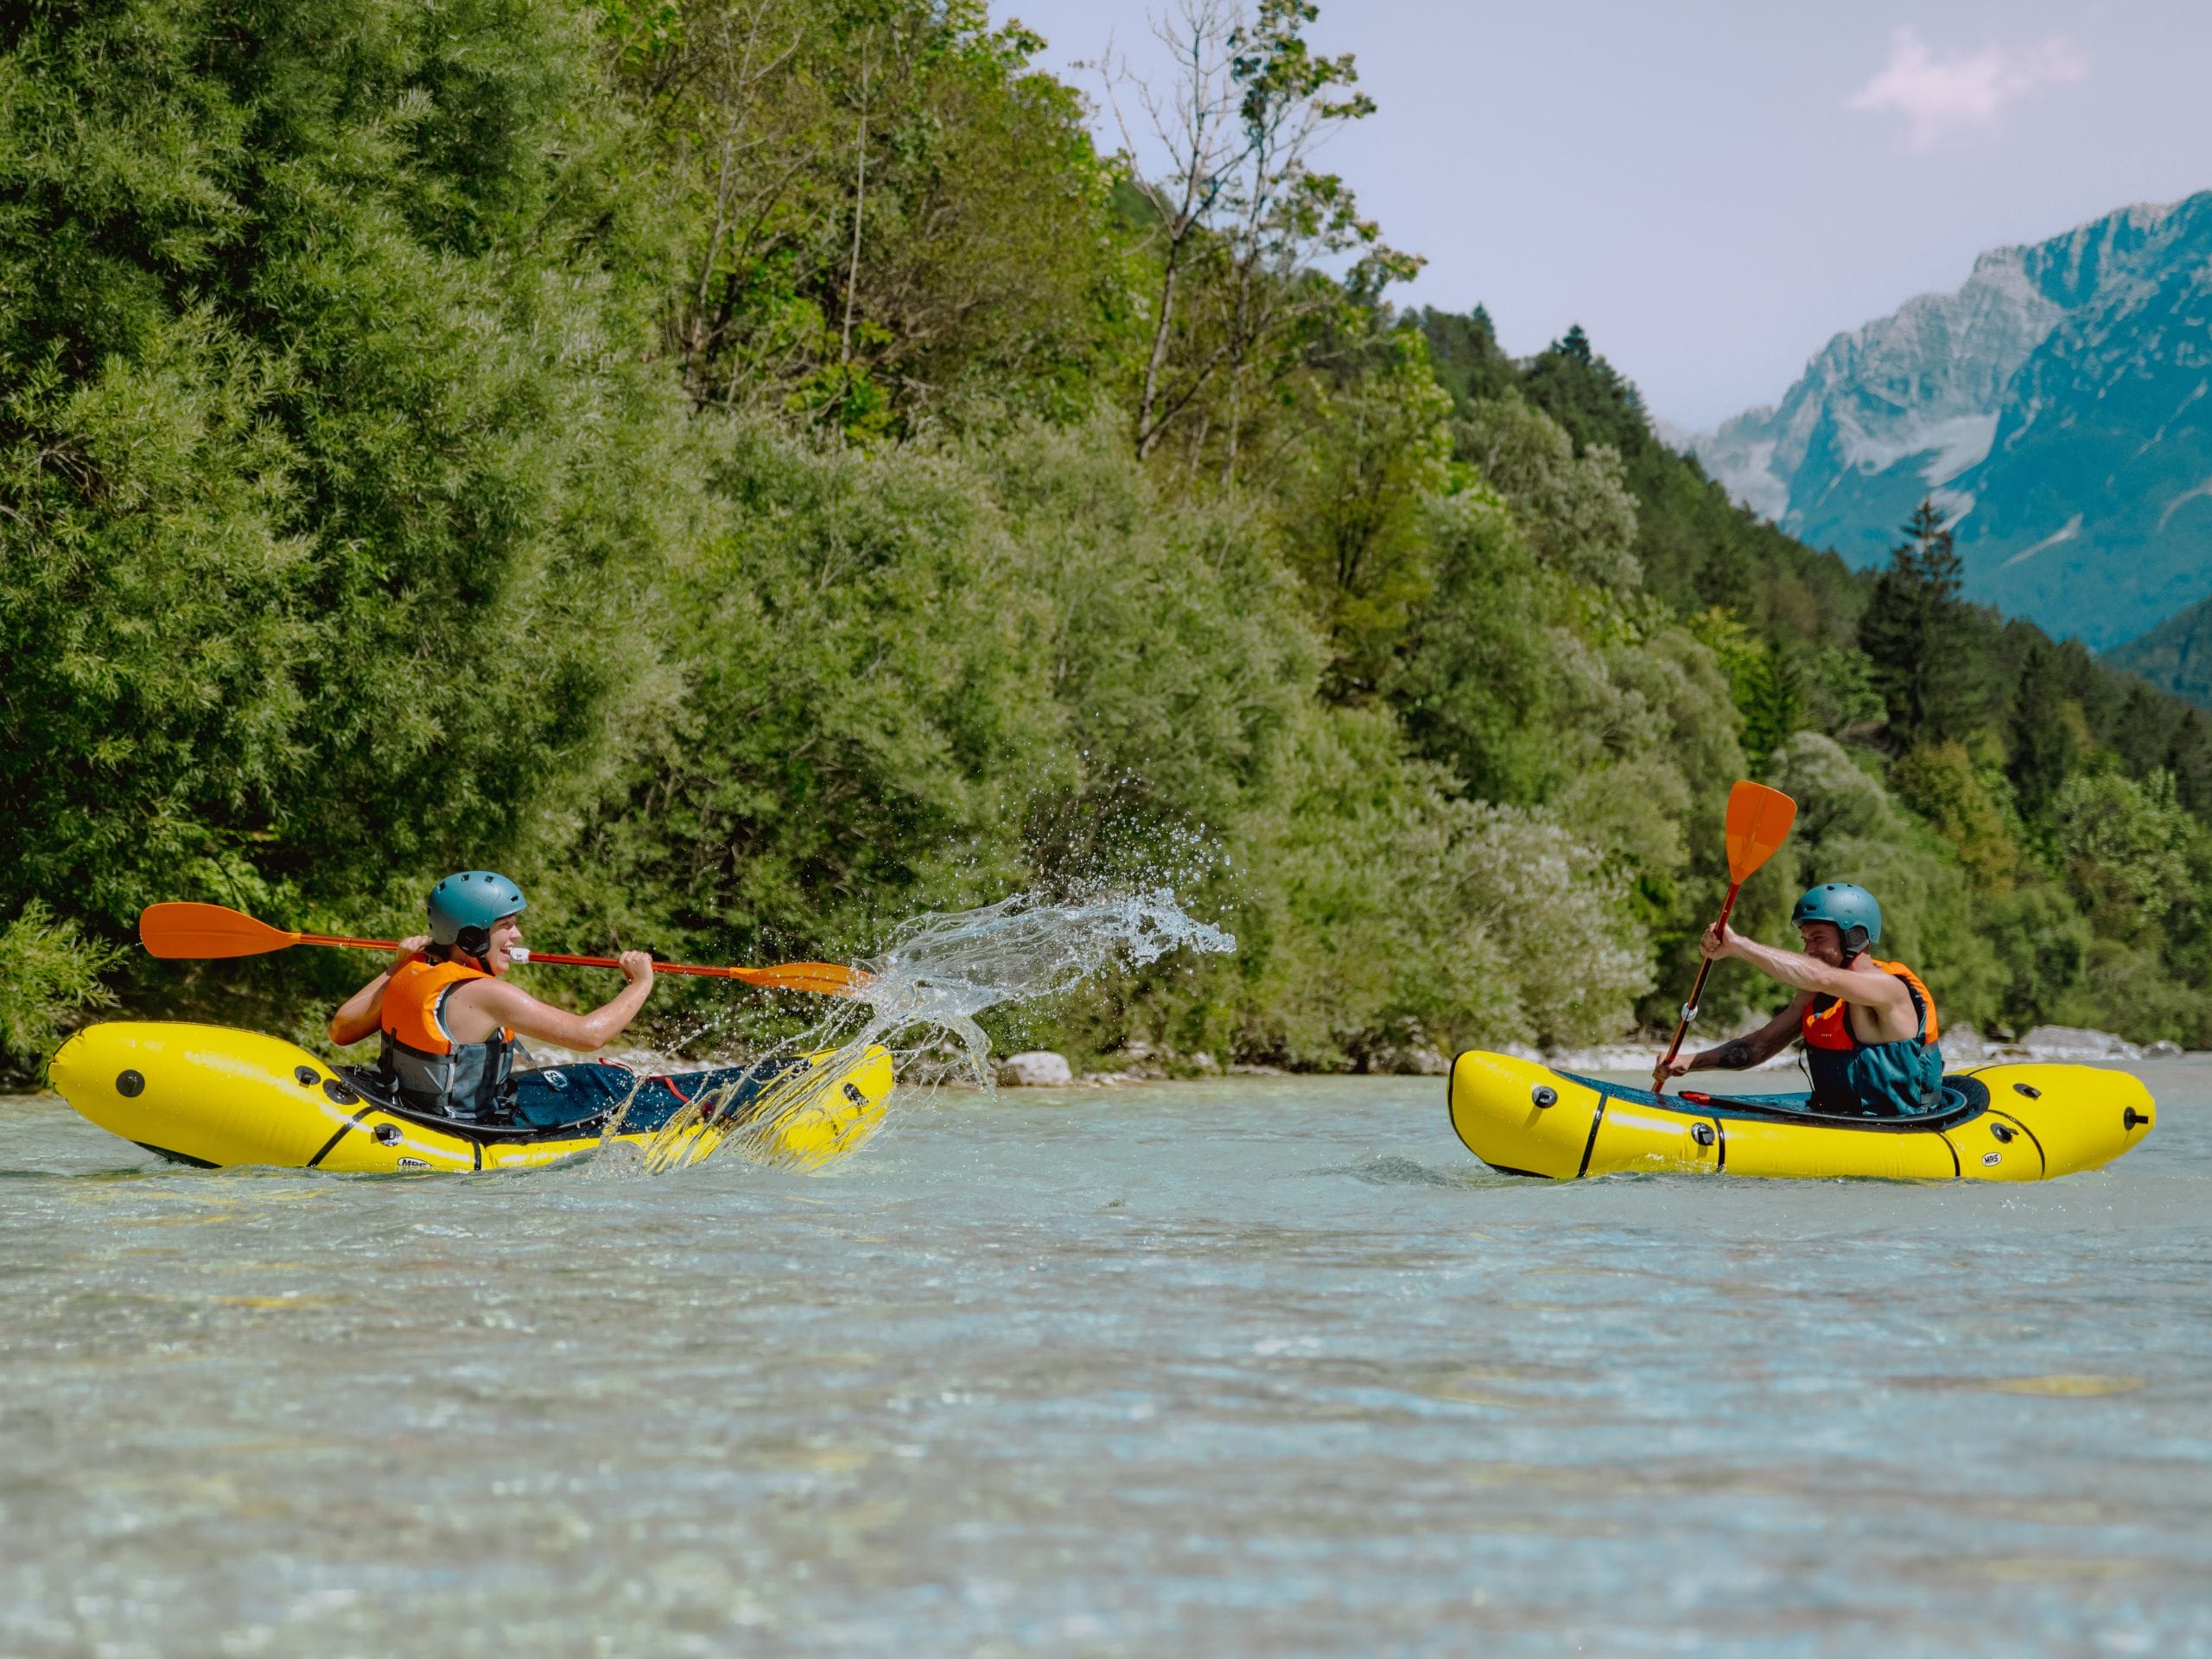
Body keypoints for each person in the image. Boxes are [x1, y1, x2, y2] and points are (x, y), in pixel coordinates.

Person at [327, 871, 654, 1122]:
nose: (517, 935)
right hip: (456, 1126)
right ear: (472, 937)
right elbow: (590, 1035)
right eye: (507, 925)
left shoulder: (414, 970)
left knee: (594, 1079)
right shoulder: (486, 994)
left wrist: (394, 967)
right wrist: (639, 984)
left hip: (406, 1107)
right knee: (605, 1084)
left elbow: (341, 1031)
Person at [1660, 882, 1944, 1116]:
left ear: (1855, 936)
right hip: (1836, 1121)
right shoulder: (1819, 997)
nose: (1809, 950)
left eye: (1818, 938)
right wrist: (1688, 1062)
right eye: (1805, 940)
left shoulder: (1888, 989)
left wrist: (1739, 946)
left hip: (1902, 1127)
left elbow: (1821, 976)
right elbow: (1760, 1046)